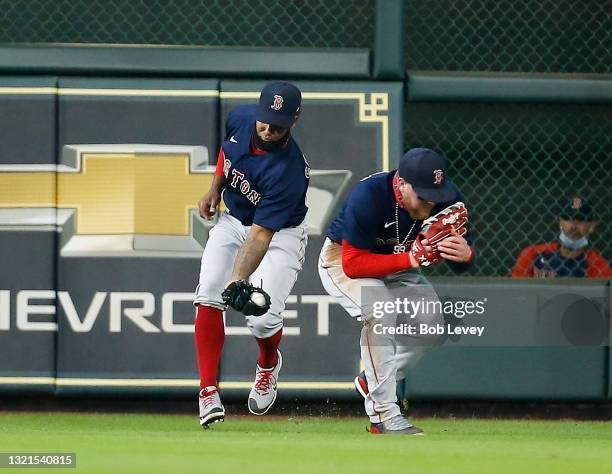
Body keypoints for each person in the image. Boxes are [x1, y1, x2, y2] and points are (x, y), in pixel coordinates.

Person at [318, 148, 475, 435]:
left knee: (431, 324)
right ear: (402, 184)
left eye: (436, 195)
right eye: (424, 196)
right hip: (342, 261)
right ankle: (384, 414)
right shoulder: (370, 194)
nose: (431, 203)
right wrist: (411, 259)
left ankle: (371, 382)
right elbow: (353, 265)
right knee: (380, 310)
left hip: (398, 266)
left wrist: (466, 255)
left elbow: (461, 260)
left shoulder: (446, 199)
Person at [194, 82, 310, 428]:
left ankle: (267, 362)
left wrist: (238, 277)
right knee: (208, 293)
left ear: (295, 120)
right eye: (265, 120)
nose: (268, 128)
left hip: (279, 235)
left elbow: (261, 234)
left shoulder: (289, 171)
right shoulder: (241, 118)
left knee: (260, 318)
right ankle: (207, 391)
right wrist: (215, 187)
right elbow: (226, 154)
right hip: (234, 221)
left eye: (278, 123)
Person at [512, 197, 610, 278]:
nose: (573, 226)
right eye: (567, 218)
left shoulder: (598, 265)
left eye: (580, 219)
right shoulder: (533, 253)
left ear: (592, 225)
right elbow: (517, 292)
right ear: (560, 222)